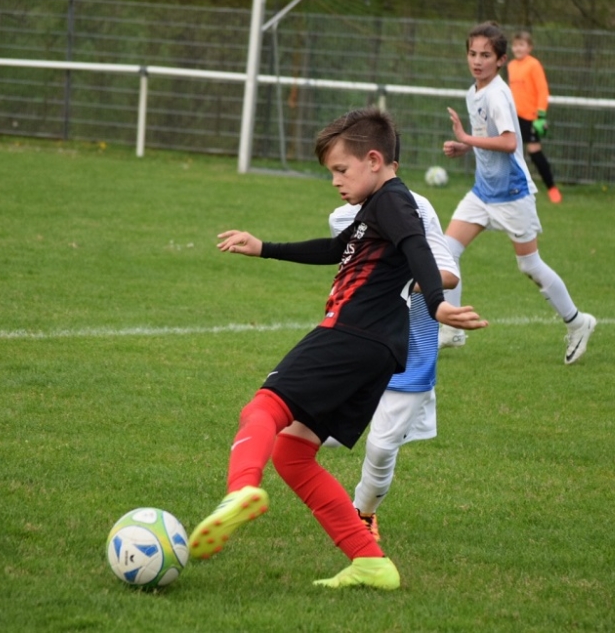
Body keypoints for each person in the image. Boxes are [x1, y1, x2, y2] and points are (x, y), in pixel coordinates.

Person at [189, 107, 487, 590]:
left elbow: (417, 246)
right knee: (293, 453)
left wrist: (435, 303)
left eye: (341, 170)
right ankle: (369, 562)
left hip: (351, 332)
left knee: (263, 407)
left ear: (374, 160)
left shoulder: (394, 201)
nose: (335, 181)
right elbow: (335, 250)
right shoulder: (376, 207)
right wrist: (264, 247)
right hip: (378, 349)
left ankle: (240, 489)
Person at [437, 21, 595, 364]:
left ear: (501, 60)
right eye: (472, 53)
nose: (477, 61)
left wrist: (466, 138)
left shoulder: (496, 94)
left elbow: (509, 142)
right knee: (446, 251)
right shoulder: (474, 91)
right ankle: (452, 329)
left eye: (486, 55)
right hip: (483, 192)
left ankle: (578, 322)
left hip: (511, 194)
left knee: (529, 265)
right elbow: (489, 136)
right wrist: (467, 147)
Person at [328, 173, 459, 542]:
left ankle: (364, 512)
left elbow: (448, 275)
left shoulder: (417, 207)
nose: (337, 180)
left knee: (382, 447)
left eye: (344, 169)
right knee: (312, 428)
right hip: (359, 342)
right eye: (335, 170)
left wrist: (396, 282)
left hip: (411, 350)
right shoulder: (341, 217)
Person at [507, 30, 561, 204]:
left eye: (521, 45)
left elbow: (542, 90)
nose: (518, 48)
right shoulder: (511, 65)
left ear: (529, 47)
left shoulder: (533, 65)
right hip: (514, 116)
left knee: (534, 152)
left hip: (531, 117)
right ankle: (514, 189)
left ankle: (552, 188)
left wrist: (541, 115)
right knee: (510, 153)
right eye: (515, 45)